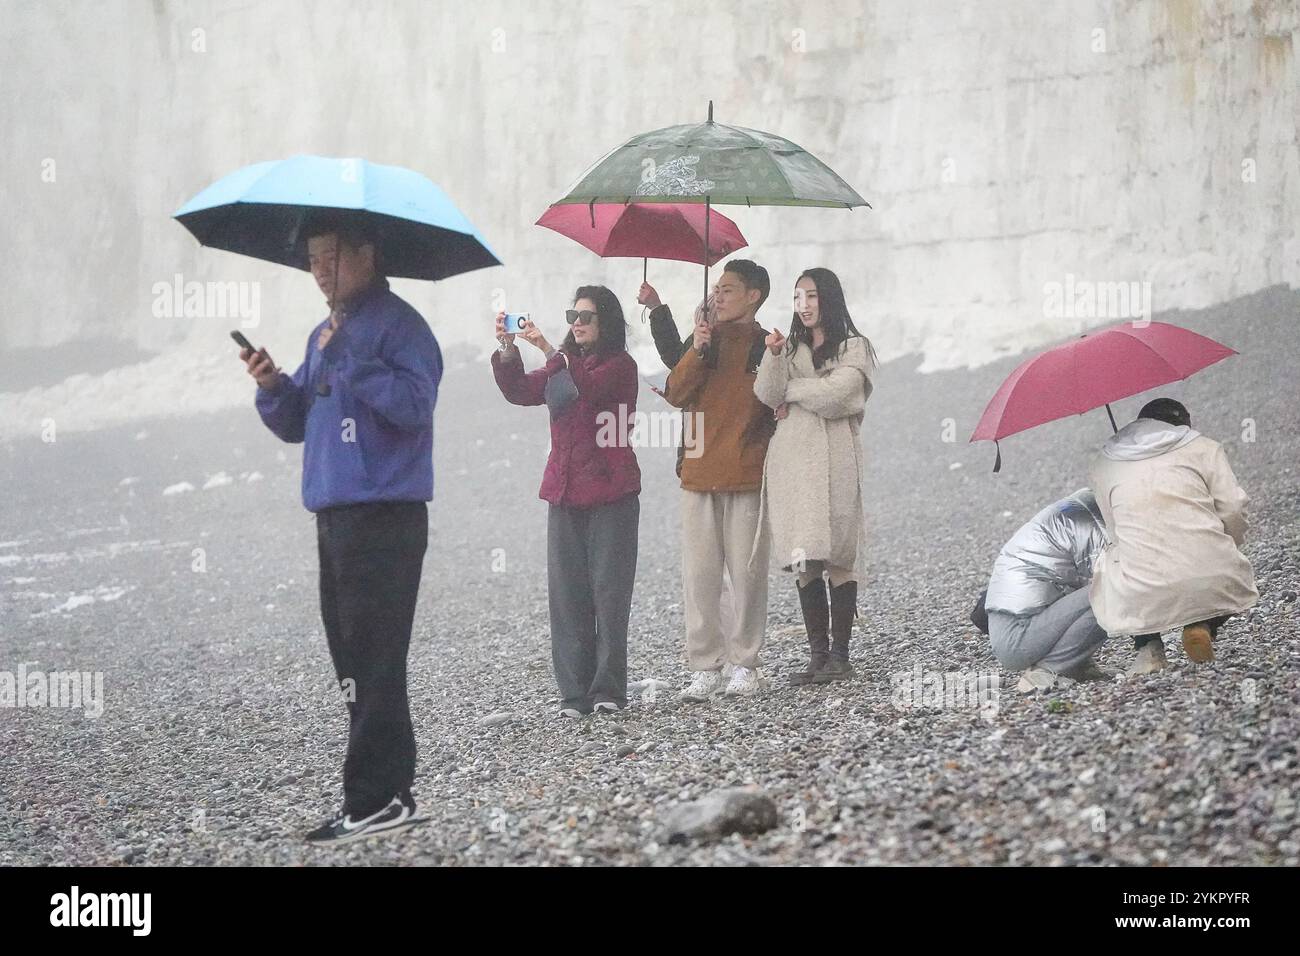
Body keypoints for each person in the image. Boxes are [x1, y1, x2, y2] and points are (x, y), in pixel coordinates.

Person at [241, 210, 442, 846]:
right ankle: (388, 794)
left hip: (385, 513)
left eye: (330, 256)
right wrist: (273, 385)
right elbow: (299, 419)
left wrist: (351, 357)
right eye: (312, 260)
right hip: (335, 514)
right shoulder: (323, 332)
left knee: (376, 658)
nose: (320, 271)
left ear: (368, 254)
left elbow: (415, 406)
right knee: (354, 659)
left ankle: (375, 799)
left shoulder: (402, 326)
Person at [490, 287, 641, 717]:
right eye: (573, 313)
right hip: (564, 491)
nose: (577, 321)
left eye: (587, 316)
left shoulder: (621, 367)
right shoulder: (562, 364)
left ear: (606, 322)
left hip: (612, 494)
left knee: (609, 597)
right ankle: (575, 694)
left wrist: (549, 350)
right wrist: (507, 349)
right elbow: (519, 390)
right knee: (567, 597)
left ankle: (608, 690)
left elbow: (590, 390)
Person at [752, 268, 877, 684]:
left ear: (828, 298)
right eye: (797, 297)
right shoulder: (786, 350)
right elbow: (766, 394)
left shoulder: (854, 347)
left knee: (840, 554)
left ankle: (841, 655)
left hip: (838, 459)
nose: (803, 306)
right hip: (795, 463)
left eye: (811, 296)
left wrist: (793, 391)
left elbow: (837, 396)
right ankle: (818, 656)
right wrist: (772, 358)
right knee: (805, 557)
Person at [662, 259, 775, 700]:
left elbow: (775, 402)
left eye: (729, 289)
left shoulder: (767, 344)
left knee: (748, 574)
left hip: (747, 472)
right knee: (700, 576)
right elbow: (675, 393)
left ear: (754, 295)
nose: (719, 296)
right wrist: (699, 346)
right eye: (717, 289)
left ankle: (745, 663)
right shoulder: (703, 340)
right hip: (697, 472)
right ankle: (705, 666)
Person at [1088, 398, 1258, 675]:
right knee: (1231, 573)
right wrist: (1228, 546)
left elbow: (1114, 529)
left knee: (1111, 555)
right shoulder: (1204, 447)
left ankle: (1148, 648)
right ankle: (1203, 625)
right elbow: (1233, 508)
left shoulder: (1104, 464)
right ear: (1184, 424)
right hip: (1212, 576)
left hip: (1141, 591)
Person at [982, 489, 1113, 684]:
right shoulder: (1094, 524)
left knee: (1106, 586)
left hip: (1013, 633)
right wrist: (1149, 644)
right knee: (1114, 588)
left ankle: (1076, 665)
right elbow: (1127, 583)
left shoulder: (1078, 507)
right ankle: (1050, 669)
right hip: (1018, 638)